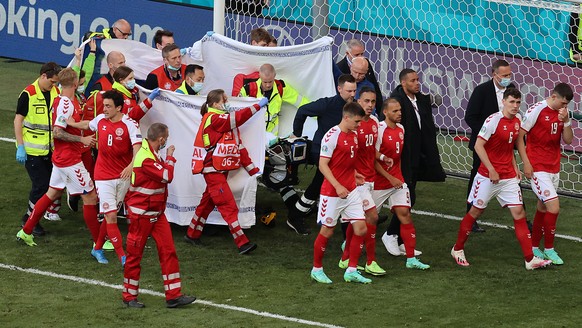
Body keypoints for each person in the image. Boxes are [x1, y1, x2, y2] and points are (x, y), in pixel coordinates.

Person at [451, 88, 552, 270]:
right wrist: (491, 169)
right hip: (487, 177)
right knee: (475, 212)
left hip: (508, 177)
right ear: (504, 102)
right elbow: (478, 145)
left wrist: (518, 166)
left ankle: (530, 259)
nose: (515, 106)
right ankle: (457, 249)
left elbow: (514, 145)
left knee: (519, 214)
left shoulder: (518, 119)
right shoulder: (492, 120)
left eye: (518, 102)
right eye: (512, 102)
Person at [16, 68, 101, 252]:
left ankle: (26, 230)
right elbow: (58, 132)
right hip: (70, 160)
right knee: (90, 196)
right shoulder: (66, 104)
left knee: (52, 193)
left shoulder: (62, 100)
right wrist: (82, 139)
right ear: (76, 82)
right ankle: (99, 243)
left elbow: (68, 124)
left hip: (62, 158)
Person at [122, 123, 196, 308]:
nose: (167, 141)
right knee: (134, 256)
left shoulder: (150, 152)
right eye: (166, 137)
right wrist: (170, 158)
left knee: (168, 251)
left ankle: (173, 296)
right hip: (142, 216)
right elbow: (166, 175)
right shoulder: (146, 157)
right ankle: (129, 297)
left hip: (157, 214)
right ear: (161, 139)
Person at [185, 90, 268, 254]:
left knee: (206, 204)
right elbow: (238, 118)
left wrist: (253, 170)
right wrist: (257, 106)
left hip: (217, 171)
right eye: (224, 100)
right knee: (228, 206)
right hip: (213, 171)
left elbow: (238, 147)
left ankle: (192, 234)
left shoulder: (223, 123)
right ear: (215, 104)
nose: (227, 102)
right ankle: (242, 242)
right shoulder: (215, 119)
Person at [67, 90, 142, 265]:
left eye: (108, 106)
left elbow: (138, 147)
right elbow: (88, 125)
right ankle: (123, 257)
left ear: (119, 107)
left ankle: (97, 248)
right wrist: (72, 123)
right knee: (112, 216)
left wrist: (131, 166)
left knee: (110, 216)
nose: (105, 109)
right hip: (102, 176)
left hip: (122, 175)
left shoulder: (129, 124)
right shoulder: (100, 119)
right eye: (104, 105)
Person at [380, 68, 445, 255]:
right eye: (412, 81)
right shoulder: (397, 101)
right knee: (406, 197)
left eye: (418, 80)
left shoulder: (420, 99)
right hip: (403, 158)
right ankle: (390, 234)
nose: (417, 83)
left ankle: (398, 237)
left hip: (418, 156)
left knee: (409, 197)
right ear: (403, 83)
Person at [287, 74, 357, 235]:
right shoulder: (327, 104)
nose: (352, 94)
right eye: (349, 91)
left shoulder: (352, 106)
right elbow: (302, 110)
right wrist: (296, 134)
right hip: (322, 152)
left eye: (354, 90)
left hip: (341, 153)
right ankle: (296, 215)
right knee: (319, 183)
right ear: (339, 89)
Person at [310, 102, 371, 284]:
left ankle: (351, 270)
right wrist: (337, 186)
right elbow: (323, 165)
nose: (359, 125)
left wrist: (354, 175)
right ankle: (317, 269)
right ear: (346, 117)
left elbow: (344, 162)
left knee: (361, 228)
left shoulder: (353, 135)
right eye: (357, 122)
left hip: (350, 190)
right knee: (327, 232)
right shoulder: (331, 136)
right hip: (332, 193)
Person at [517, 83, 574, 265]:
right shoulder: (537, 109)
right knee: (554, 207)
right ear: (554, 96)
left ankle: (534, 246)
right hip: (537, 167)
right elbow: (520, 135)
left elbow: (568, 139)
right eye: (563, 103)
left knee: (543, 207)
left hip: (553, 167)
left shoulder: (563, 113)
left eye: (567, 104)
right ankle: (549, 249)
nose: (564, 107)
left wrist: (565, 120)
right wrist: (526, 163)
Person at [373, 98, 430, 270]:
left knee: (405, 214)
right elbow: (373, 158)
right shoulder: (380, 130)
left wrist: (400, 177)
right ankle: (350, 249)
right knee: (367, 221)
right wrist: (389, 178)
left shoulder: (401, 129)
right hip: (379, 183)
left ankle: (411, 259)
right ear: (385, 112)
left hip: (397, 180)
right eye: (395, 111)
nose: (399, 114)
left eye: (400, 110)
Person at [338, 87, 386, 276]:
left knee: (356, 220)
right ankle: (370, 261)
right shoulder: (353, 126)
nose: (370, 105)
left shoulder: (374, 122)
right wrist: (353, 175)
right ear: (358, 101)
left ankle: (346, 258)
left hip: (370, 178)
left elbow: (370, 149)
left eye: (373, 102)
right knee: (372, 217)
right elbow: (347, 154)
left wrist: (382, 157)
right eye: (366, 101)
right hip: (357, 181)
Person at [464, 59, 515, 233]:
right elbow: (470, 117)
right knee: (477, 178)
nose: (508, 78)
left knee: (512, 178)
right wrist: (488, 135)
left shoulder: (511, 89)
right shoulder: (482, 91)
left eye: (510, 74)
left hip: (505, 147)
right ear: (494, 74)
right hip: (484, 146)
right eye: (505, 75)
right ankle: (470, 217)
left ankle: (521, 216)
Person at [14, 62, 63, 235]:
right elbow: (18, 120)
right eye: (52, 82)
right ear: (43, 76)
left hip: (50, 149)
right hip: (32, 150)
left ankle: (31, 218)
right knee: (41, 186)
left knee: (50, 187)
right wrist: (21, 146)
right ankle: (29, 220)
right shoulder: (28, 94)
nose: (54, 85)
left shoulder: (55, 92)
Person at [239, 63, 309, 137]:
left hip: (272, 137)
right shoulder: (248, 90)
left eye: (270, 81)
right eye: (265, 82)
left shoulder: (281, 87)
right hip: (252, 135)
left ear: (274, 75)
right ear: (260, 76)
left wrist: (317, 112)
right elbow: (236, 112)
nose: (268, 85)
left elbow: (300, 101)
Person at [86, 66, 160, 123]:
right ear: (121, 80)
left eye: (133, 78)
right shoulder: (117, 96)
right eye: (130, 78)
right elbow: (129, 117)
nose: (133, 81)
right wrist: (148, 101)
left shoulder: (131, 93)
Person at [335, 39, 383, 115]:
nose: (360, 57)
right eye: (357, 55)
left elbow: (375, 87)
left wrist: (381, 114)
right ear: (347, 53)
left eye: (362, 54)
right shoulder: (339, 68)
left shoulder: (365, 63)